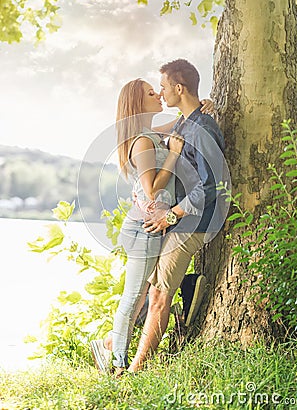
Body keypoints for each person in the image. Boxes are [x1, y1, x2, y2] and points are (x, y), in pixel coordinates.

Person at [90, 78, 213, 376]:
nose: (157, 94)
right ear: (137, 103)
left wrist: (199, 108)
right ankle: (117, 365)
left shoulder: (147, 133)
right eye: (150, 93)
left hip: (150, 227)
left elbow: (177, 124)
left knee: (143, 294)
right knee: (133, 297)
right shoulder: (143, 142)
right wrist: (173, 154)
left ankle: (107, 344)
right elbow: (153, 190)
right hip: (143, 230)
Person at [126, 59, 226, 373]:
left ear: (179, 88)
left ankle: (136, 370)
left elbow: (212, 185)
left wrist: (171, 215)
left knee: (158, 293)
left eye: (165, 87)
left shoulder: (201, 128)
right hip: (181, 218)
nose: (162, 93)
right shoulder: (186, 123)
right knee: (150, 284)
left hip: (193, 222)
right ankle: (191, 289)